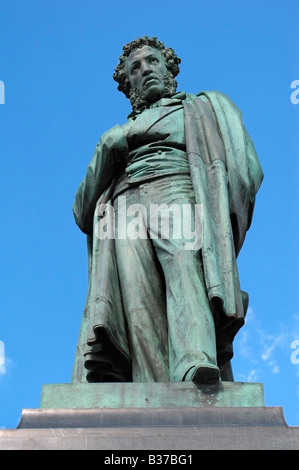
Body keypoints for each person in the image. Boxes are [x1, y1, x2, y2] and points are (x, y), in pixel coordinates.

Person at [72, 36, 263, 385]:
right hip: (124, 203)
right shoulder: (114, 137)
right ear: (127, 83)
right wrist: (105, 149)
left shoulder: (202, 108)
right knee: (136, 298)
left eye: (152, 62)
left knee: (183, 263)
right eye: (135, 68)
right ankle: (151, 384)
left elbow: (246, 168)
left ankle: (195, 362)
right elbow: (81, 210)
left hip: (177, 186)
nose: (145, 70)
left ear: (169, 68)